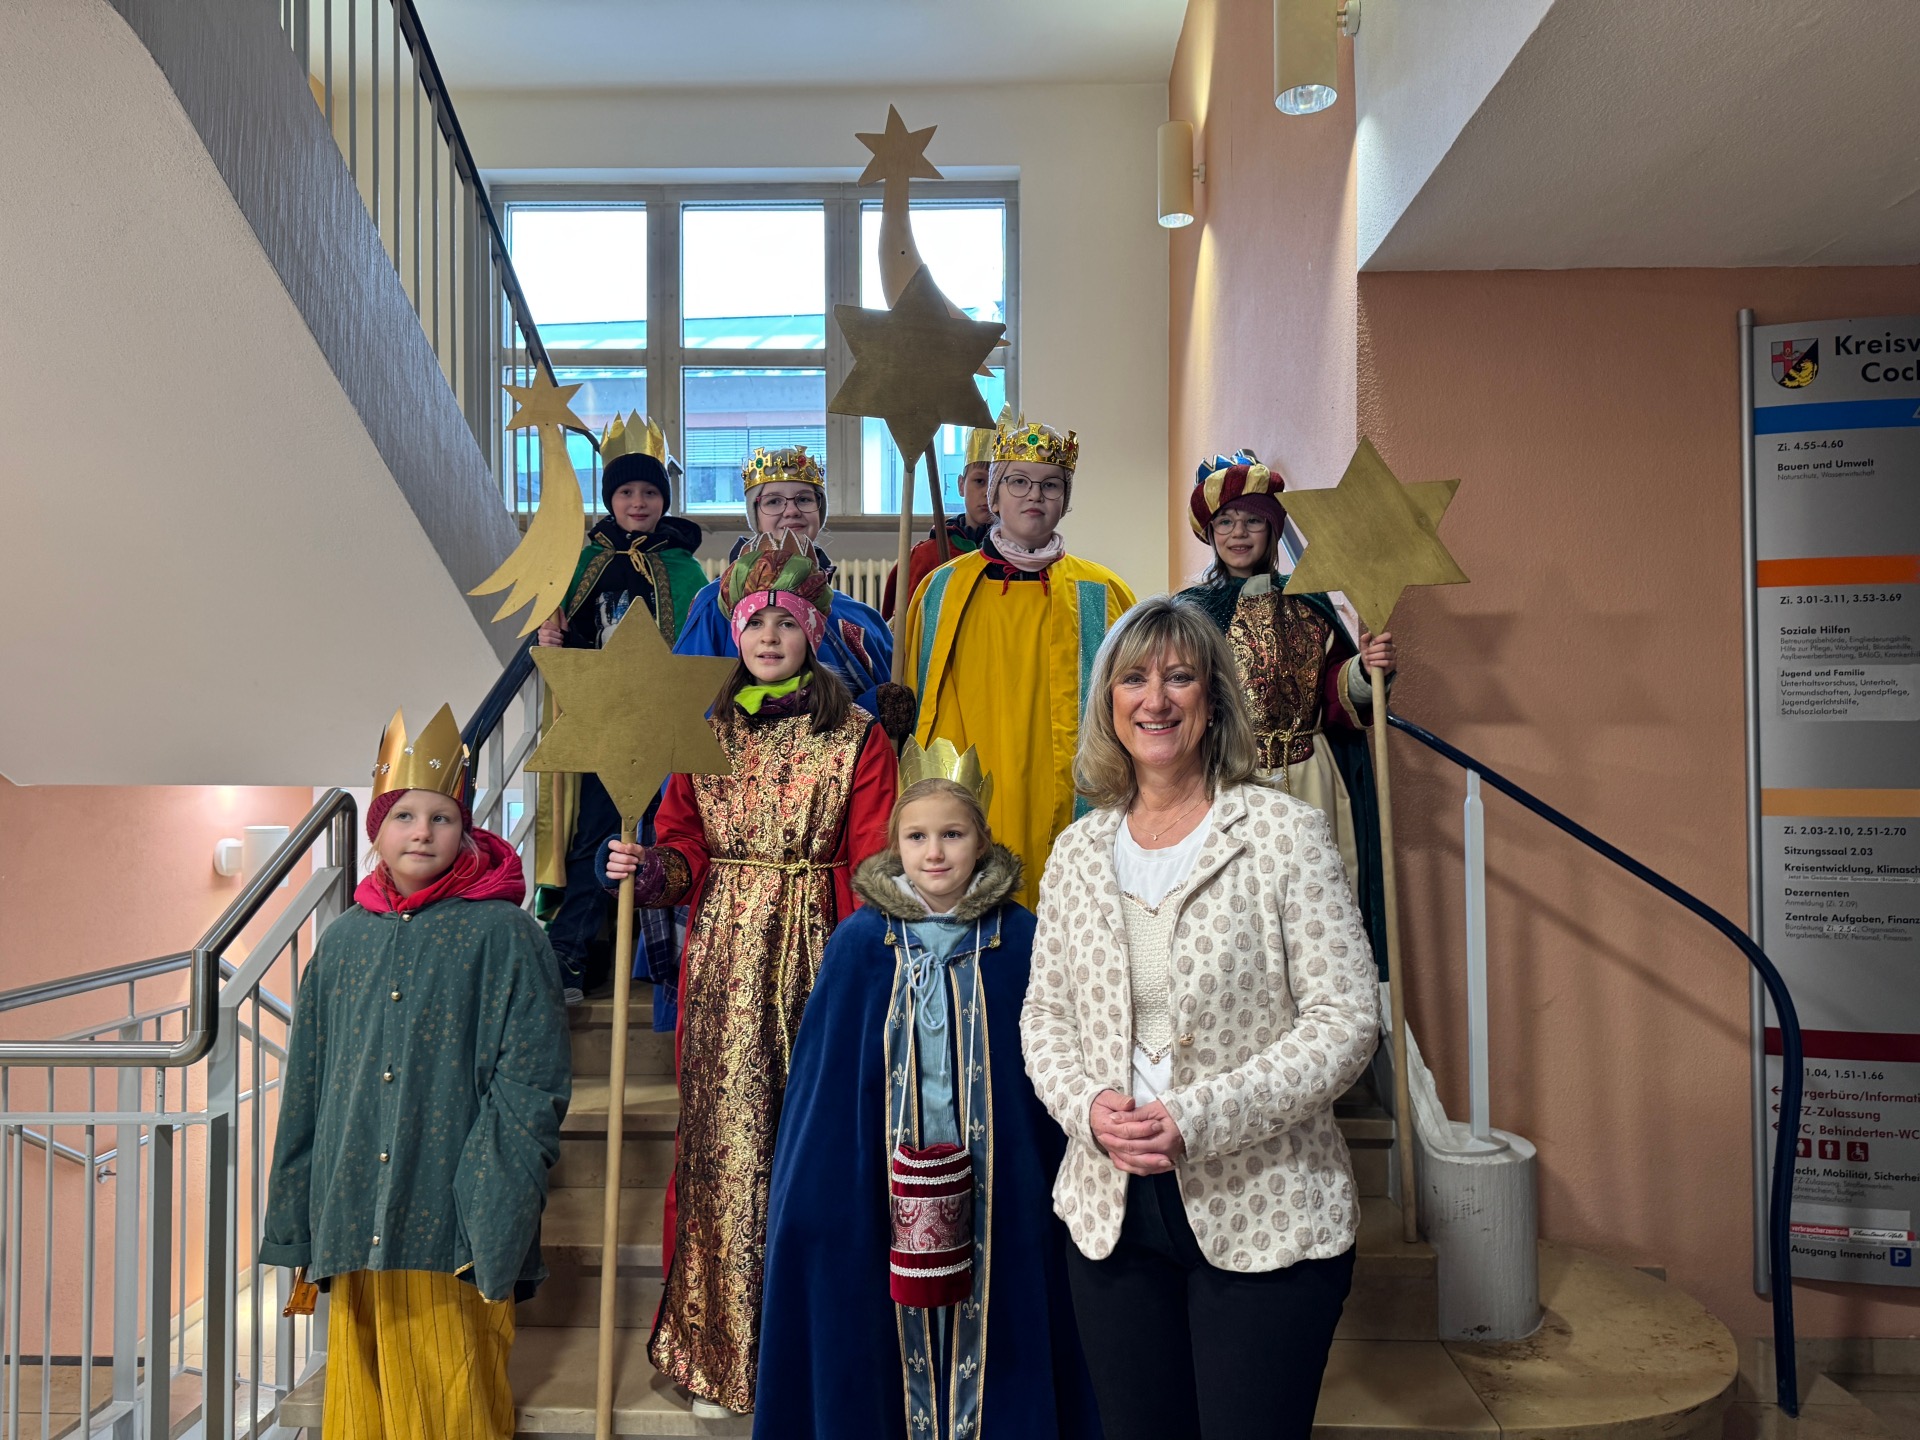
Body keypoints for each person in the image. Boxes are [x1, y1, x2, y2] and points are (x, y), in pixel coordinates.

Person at [1020, 596, 1380, 1440]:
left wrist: (1199, 1117)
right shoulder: (1077, 851)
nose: (1157, 699)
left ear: (1213, 697)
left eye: (1180, 677)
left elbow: (1345, 1020)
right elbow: (1046, 1016)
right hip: (1108, 1211)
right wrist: (1087, 1108)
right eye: (1135, 679)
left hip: (1265, 1210)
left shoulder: (1285, 833)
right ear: (1108, 703)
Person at [601, 533, 896, 1418]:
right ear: (734, 631)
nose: (768, 634)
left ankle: (811, 1350)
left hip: (822, 955)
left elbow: (875, 853)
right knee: (727, 1150)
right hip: (726, 960)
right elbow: (686, 843)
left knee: (814, 1148)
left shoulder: (857, 736)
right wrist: (651, 870)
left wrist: (865, 966)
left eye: (785, 621)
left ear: (813, 629)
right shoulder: (707, 732)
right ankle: (720, 1351)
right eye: (753, 620)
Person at [755, 740, 1103, 1440]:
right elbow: (823, 1095)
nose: (935, 852)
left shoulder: (1022, 938)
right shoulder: (859, 944)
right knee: (878, 1332)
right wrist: (811, 1200)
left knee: (1004, 1311)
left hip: (999, 1187)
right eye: (917, 836)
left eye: (953, 834)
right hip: (878, 1188)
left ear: (982, 842)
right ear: (895, 844)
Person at [261, 704, 571, 1440]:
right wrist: (299, 1213)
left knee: (453, 1395)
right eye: (404, 817)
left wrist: (490, 1195)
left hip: (454, 1214)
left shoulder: (507, 933)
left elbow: (532, 1078)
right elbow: (309, 1083)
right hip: (356, 1205)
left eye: (440, 817)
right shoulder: (343, 942)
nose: (422, 832)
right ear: (378, 831)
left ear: (466, 829)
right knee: (364, 1396)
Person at [902, 414, 1137, 910]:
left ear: (1066, 500)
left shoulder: (1103, 593)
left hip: (1069, 789)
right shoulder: (942, 590)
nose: (1035, 496)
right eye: (1018, 482)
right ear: (994, 495)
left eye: (1051, 485)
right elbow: (921, 708)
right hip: (977, 782)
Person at [1180, 452, 1395, 967]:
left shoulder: (1309, 603)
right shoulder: (1190, 611)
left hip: (1313, 774)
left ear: (1273, 530)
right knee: (1239, 904)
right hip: (1230, 777)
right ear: (1210, 533)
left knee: (1319, 895)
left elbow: (1335, 694)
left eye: (1253, 520)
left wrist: (1366, 670)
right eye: (1226, 521)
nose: (1238, 533)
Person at [535, 415, 705, 1008]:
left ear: (664, 500)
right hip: (599, 718)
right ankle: (575, 951)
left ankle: (654, 959)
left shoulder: (682, 567)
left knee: (662, 832)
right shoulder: (581, 563)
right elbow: (564, 629)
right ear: (611, 498)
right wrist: (554, 639)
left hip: (662, 718)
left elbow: (694, 640)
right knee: (596, 834)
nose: (639, 502)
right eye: (627, 492)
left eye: (651, 492)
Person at [673, 445, 915, 739]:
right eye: (773, 501)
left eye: (804, 499)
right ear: (755, 514)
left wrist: (882, 706)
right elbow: (684, 718)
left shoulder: (861, 617)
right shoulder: (715, 607)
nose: (791, 510)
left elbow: (893, 712)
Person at [879, 410, 1004, 622]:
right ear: (961, 485)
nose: (987, 492)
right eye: (980, 481)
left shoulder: (1017, 556)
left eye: (997, 482)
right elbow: (904, 628)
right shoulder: (927, 556)